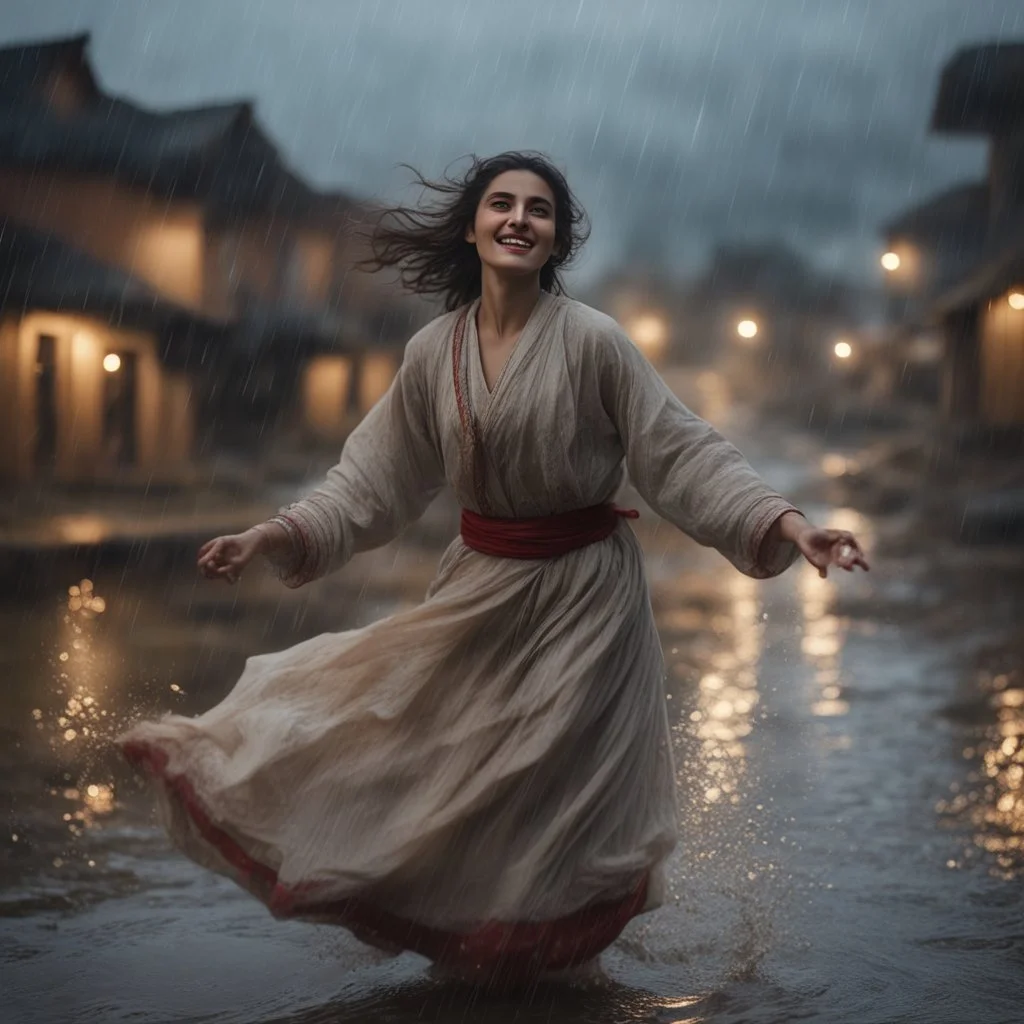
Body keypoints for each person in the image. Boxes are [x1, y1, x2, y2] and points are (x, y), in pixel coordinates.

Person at [118, 151, 868, 983]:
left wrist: (788, 524)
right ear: (472, 227)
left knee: (551, 791)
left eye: (538, 210)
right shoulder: (431, 352)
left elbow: (680, 453)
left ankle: (549, 968)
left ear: (556, 238)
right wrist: (275, 534)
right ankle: (477, 955)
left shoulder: (595, 343)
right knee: (435, 761)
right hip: (477, 589)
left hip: (588, 601)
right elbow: (372, 479)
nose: (518, 219)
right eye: (501, 205)